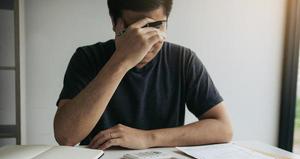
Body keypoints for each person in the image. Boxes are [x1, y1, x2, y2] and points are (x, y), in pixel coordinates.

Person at [54, 0, 233, 150]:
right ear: (115, 23)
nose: (146, 42)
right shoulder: (87, 58)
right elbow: (66, 137)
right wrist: (121, 62)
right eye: (136, 30)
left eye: (156, 26)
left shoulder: (183, 60)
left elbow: (223, 128)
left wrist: (147, 138)